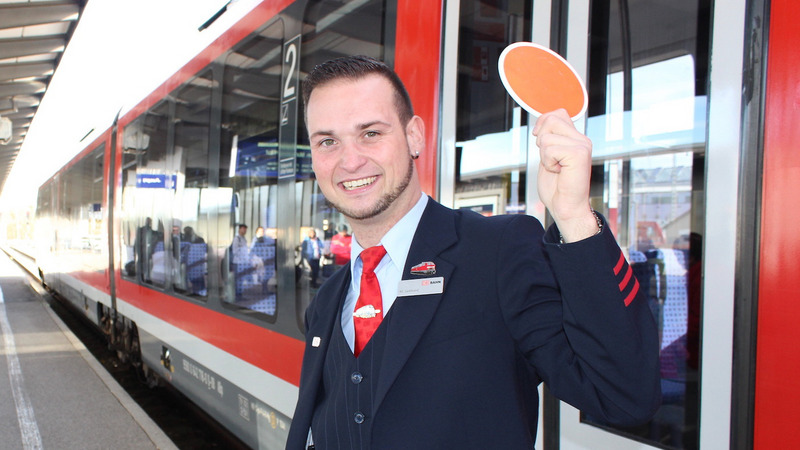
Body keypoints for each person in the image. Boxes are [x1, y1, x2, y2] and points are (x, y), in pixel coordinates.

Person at [286, 56, 660, 449]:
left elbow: (625, 396)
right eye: (327, 141)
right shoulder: (327, 302)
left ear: (414, 136)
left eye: (371, 133)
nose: (349, 160)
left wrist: (574, 218)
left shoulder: (498, 251)